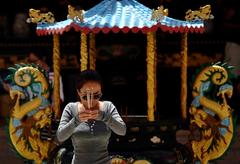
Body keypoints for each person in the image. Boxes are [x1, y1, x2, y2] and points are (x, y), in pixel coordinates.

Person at [56, 69, 126, 164]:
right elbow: (60, 137)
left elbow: (122, 131)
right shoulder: (71, 108)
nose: (92, 100)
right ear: (79, 92)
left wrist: (104, 117)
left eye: (96, 96)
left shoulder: (107, 106)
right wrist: (76, 120)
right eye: (86, 96)